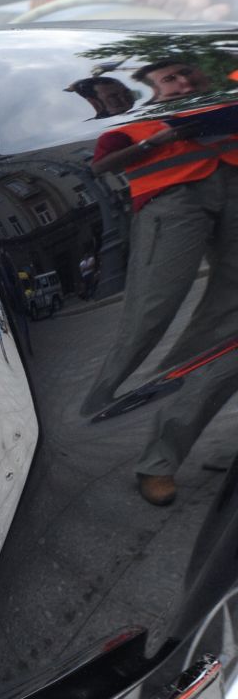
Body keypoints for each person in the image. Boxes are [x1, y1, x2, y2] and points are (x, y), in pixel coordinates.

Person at [84, 58, 238, 505]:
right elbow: (101, 167)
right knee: (151, 313)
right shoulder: (129, 116)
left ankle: (161, 458)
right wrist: (163, 137)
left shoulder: (219, 86)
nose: (185, 80)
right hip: (171, 199)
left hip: (234, 185)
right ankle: (96, 402)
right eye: (170, 78)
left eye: (188, 73)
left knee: (227, 327)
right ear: (147, 88)